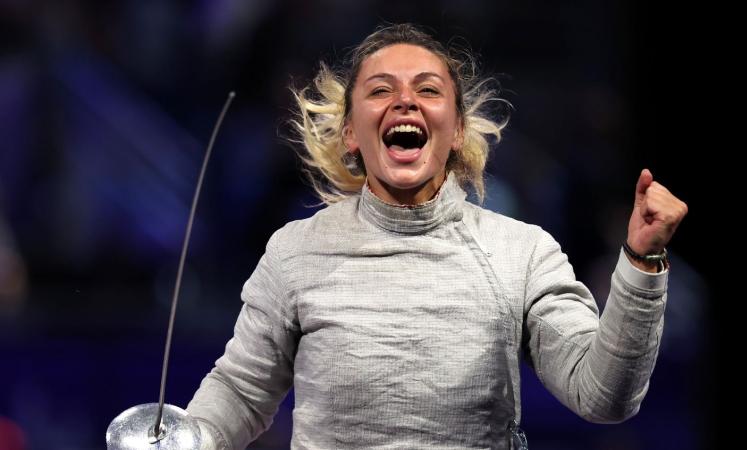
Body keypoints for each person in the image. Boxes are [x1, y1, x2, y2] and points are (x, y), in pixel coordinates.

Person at [186, 23, 688, 450]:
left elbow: (603, 395)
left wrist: (641, 262)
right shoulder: (296, 251)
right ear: (351, 135)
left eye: (428, 90)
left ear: (456, 130)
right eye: (381, 90)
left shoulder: (521, 253)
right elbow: (239, 390)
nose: (405, 101)